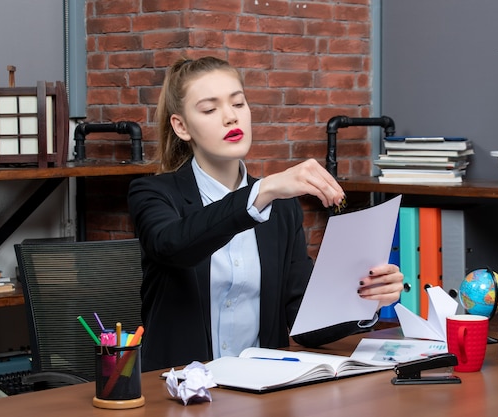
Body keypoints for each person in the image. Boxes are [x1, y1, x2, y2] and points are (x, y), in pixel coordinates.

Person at [128, 56, 404, 372]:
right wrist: (263, 193)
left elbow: (303, 320)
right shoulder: (153, 193)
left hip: (263, 388)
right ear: (181, 126)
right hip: (179, 389)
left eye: (238, 103)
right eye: (209, 109)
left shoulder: (281, 206)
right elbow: (174, 245)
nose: (230, 117)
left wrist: (366, 298)